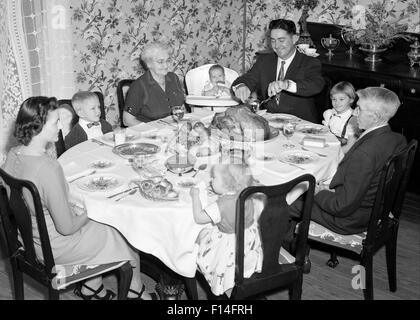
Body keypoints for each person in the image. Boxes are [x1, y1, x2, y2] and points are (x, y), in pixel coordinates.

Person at [2, 96, 156, 300]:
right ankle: (135, 290)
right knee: (125, 228)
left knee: (95, 219)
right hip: (55, 247)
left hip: (29, 239)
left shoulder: (14, 154)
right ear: (37, 127)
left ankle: (92, 289)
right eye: (56, 122)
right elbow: (67, 228)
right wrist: (91, 211)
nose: (60, 126)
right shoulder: (48, 168)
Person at [289, 87, 407, 235]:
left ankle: (291, 251)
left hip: (349, 219)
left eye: (359, 108)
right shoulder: (397, 138)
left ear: (375, 117)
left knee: (281, 202)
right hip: (371, 209)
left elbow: (341, 206)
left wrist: (318, 192)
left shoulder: (365, 154)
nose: (354, 112)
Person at [189, 162, 264, 296]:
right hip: (248, 242)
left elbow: (199, 218)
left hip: (228, 246)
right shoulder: (248, 195)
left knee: (196, 237)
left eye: (214, 178)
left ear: (227, 184)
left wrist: (195, 196)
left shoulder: (221, 205)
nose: (211, 180)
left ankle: (227, 289)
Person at [231, 19, 325, 123]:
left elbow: (316, 84)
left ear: (295, 38)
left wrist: (286, 85)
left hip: (300, 125)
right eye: (273, 40)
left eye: (281, 40)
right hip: (270, 122)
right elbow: (246, 79)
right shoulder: (264, 61)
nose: (276, 45)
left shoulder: (309, 62)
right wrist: (241, 86)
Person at [123, 41, 185, 126]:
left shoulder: (174, 78)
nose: (166, 65)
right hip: (150, 134)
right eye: (160, 62)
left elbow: (180, 108)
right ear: (148, 64)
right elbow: (127, 120)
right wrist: (153, 129)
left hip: (172, 129)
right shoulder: (138, 86)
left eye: (168, 60)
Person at [322, 81, 360, 152]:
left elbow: (350, 147)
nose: (337, 103)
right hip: (328, 147)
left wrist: (332, 154)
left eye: (341, 99)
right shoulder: (329, 114)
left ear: (351, 99)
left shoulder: (353, 119)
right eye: (334, 99)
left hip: (342, 152)